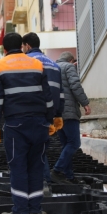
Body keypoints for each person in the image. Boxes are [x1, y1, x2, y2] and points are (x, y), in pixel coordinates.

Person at [0, 32, 56, 214]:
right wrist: (50, 120)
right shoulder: (36, 64)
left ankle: (20, 211)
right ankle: (35, 210)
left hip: (15, 124)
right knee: (36, 165)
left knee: (18, 166)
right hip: (39, 123)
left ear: (4, 49)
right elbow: (47, 96)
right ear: (22, 46)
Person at [22, 32, 65, 195]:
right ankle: (43, 182)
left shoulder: (28, 61)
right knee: (40, 146)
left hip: (34, 108)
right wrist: (58, 114)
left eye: (23, 47)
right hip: (51, 111)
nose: (22, 50)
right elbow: (60, 92)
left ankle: (43, 183)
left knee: (33, 148)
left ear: (27, 46)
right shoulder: (55, 65)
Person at [50, 51, 91, 184]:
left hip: (56, 113)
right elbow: (75, 86)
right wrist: (85, 103)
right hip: (68, 112)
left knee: (65, 144)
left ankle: (69, 176)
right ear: (71, 61)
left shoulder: (52, 67)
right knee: (74, 143)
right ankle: (56, 171)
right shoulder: (69, 67)